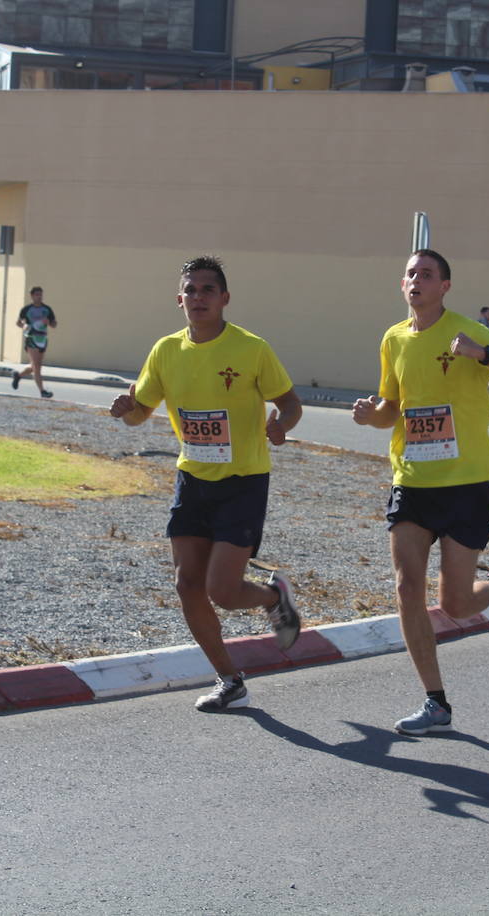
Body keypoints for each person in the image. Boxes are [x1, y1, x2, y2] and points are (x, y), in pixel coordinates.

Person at [351, 249, 489, 736]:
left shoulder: (468, 330)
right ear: (403, 285)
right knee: (406, 588)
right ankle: (436, 702)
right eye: (411, 274)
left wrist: (485, 355)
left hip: (466, 484)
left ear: (445, 287)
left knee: (455, 604)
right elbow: (393, 406)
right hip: (412, 481)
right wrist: (375, 417)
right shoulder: (393, 339)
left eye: (427, 274)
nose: (417, 280)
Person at [109, 255, 303, 712]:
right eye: (190, 290)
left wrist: (283, 424)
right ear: (179, 299)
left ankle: (275, 596)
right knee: (186, 584)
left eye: (207, 290)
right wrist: (126, 409)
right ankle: (230, 680)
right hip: (192, 478)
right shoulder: (165, 351)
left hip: (243, 482)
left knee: (223, 590)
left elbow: (290, 402)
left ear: (224, 299)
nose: (198, 297)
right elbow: (141, 413)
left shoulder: (251, 348)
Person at [10, 286, 58, 399]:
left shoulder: (47, 309)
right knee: (37, 366)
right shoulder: (27, 309)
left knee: (34, 367)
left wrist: (49, 323)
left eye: (41, 294)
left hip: (42, 339)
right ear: (32, 296)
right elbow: (18, 322)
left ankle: (18, 375)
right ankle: (42, 391)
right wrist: (24, 326)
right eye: (37, 295)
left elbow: (54, 324)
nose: (39, 297)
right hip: (31, 338)